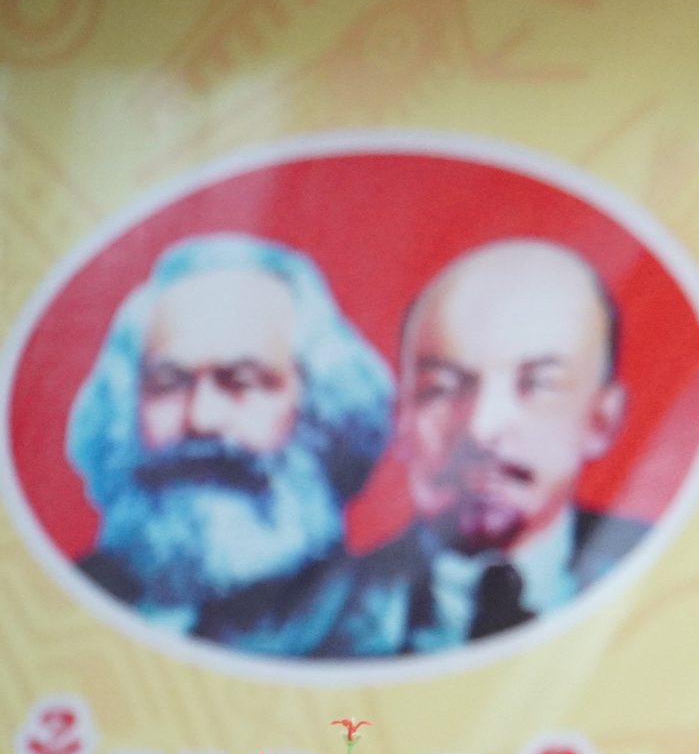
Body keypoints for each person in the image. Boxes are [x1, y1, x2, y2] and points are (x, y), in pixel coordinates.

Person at [64, 234, 393, 655]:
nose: (201, 418)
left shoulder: (384, 624)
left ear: (321, 409)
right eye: (168, 384)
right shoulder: (69, 596)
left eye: (243, 381)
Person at [320, 238, 644, 656]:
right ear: (402, 418)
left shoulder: (674, 572)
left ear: (602, 419)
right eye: (442, 389)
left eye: (538, 385)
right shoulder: (315, 623)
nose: (482, 428)